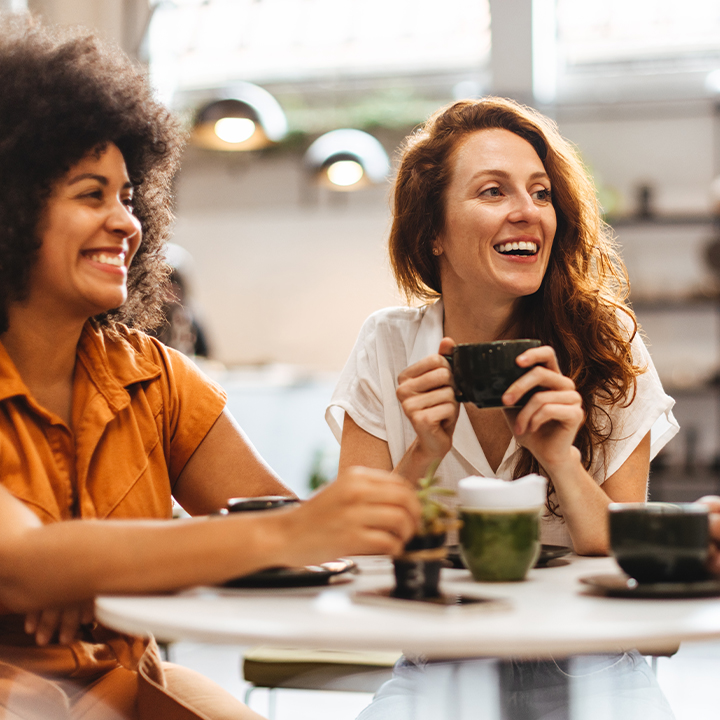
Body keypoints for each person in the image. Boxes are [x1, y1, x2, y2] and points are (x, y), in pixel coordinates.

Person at [0, 16, 421, 720]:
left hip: (126, 682)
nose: (125, 223)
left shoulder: (151, 376)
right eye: (90, 194)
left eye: (129, 198)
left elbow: (294, 533)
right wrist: (76, 564)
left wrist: (96, 564)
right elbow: (20, 566)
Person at [325, 97, 679, 719]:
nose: (528, 213)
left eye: (541, 194)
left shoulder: (606, 343)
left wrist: (561, 462)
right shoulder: (387, 344)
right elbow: (360, 555)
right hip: (442, 663)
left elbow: (635, 569)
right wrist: (423, 453)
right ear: (432, 231)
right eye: (493, 191)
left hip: (593, 658)